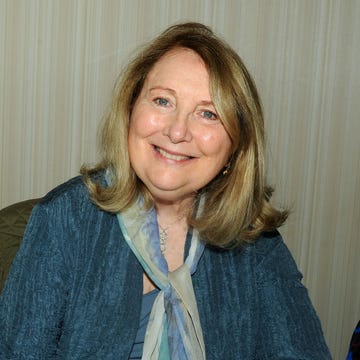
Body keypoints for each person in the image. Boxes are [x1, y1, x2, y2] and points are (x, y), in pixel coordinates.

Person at [0, 22, 331, 359]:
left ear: (235, 145)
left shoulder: (254, 239)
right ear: (130, 110)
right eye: (162, 101)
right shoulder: (64, 221)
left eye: (207, 113)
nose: (177, 132)